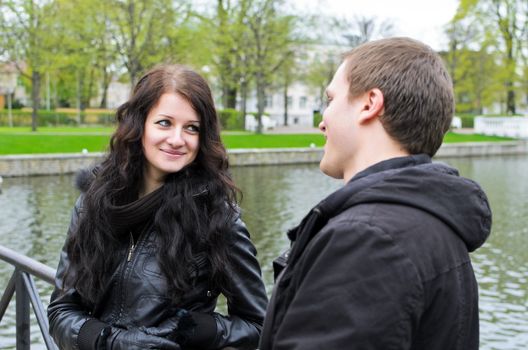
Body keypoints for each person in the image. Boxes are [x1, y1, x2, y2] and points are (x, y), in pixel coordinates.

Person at [259, 37, 492, 350]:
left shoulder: (366, 238)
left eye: (330, 100)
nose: (322, 121)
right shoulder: (432, 221)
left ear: (369, 104)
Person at [48, 65, 268, 350]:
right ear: (139, 125)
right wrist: (110, 341)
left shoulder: (217, 217)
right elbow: (60, 311)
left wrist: (196, 330)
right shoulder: (93, 204)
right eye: (165, 122)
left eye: (192, 128)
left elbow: (259, 326)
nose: (177, 139)